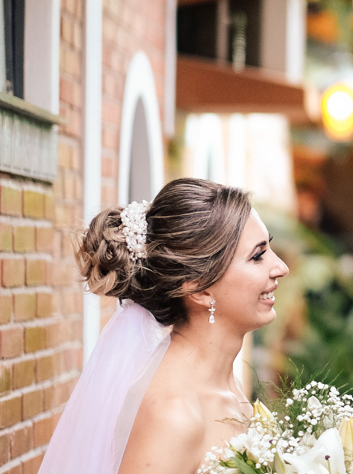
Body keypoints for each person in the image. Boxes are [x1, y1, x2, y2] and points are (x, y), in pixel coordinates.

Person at [39, 177, 290, 474]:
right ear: (199, 289)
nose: (281, 268)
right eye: (258, 256)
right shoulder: (174, 414)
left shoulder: (223, 386)